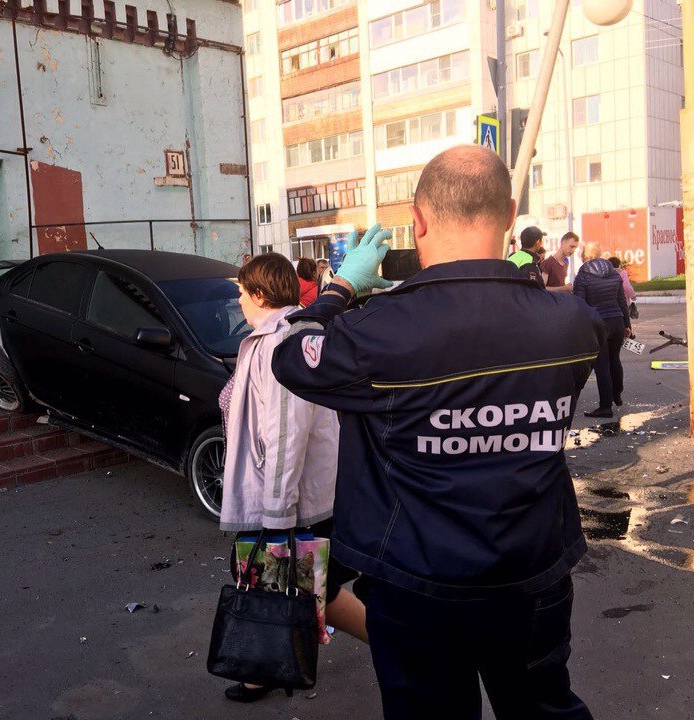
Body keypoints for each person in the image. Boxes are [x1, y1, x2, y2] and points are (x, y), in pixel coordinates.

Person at [272, 145, 606, 720]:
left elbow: (289, 357)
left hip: (417, 583)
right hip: (533, 570)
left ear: (418, 221)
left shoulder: (377, 332)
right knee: (544, 709)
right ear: (508, 215)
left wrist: (339, 290)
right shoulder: (571, 322)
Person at [218, 252, 368, 703]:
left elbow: (286, 433)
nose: (239, 301)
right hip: (289, 493)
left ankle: (272, 666)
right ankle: (264, 670)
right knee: (293, 580)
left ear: (261, 294)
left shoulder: (279, 341)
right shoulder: (273, 336)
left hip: (289, 498)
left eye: (243, 292)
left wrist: (277, 514)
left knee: (295, 580)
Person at [573, 246, 632, 417]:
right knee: (615, 359)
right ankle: (617, 394)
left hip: (598, 323)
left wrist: (579, 329)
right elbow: (621, 299)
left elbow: (579, 304)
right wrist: (627, 324)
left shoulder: (583, 274)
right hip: (617, 321)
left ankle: (605, 406)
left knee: (602, 365)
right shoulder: (613, 272)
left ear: (584, 256)